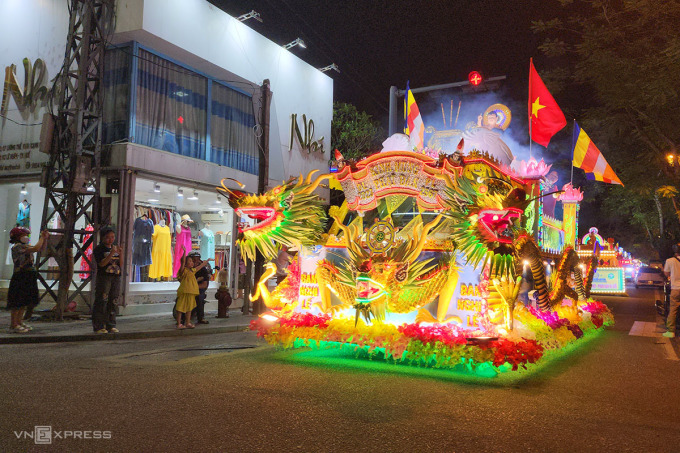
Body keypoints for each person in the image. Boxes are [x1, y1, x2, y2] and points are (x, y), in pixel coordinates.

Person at [7, 227, 49, 333]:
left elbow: (40, 249)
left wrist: (45, 239)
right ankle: (14, 324)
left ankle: (19, 322)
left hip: (28, 275)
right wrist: (42, 237)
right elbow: (36, 248)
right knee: (17, 301)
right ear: (17, 237)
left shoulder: (25, 246)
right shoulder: (17, 247)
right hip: (20, 276)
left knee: (24, 301)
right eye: (23, 236)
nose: (26, 238)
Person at [93, 227, 122, 334]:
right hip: (104, 277)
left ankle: (111, 324)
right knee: (102, 300)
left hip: (116, 276)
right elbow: (101, 264)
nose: (110, 239)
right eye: (108, 237)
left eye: (112, 237)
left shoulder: (114, 248)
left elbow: (121, 264)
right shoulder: (99, 249)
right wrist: (111, 254)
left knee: (113, 300)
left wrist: (120, 254)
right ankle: (99, 325)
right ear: (103, 238)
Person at [175, 247, 211, 330]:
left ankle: (192, 321)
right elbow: (182, 264)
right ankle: (180, 322)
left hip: (194, 291)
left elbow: (204, 283)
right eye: (191, 261)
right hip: (185, 291)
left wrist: (207, 261)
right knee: (180, 307)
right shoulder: (184, 271)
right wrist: (184, 252)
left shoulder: (196, 270)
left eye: (194, 260)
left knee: (191, 306)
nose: (193, 262)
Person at [662, 244, 680, 338]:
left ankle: (671, 331)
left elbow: (666, 273)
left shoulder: (670, 261)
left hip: (676, 288)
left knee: (673, 309)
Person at [190, 250, 212, 324]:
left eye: (197, 259)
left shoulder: (203, 270)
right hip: (188, 288)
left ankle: (201, 317)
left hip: (198, 288)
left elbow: (204, 284)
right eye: (193, 260)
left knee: (199, 297)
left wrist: (194, 286)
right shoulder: (187, 269)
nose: (195, 262)